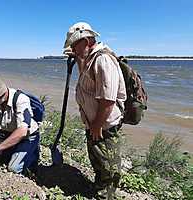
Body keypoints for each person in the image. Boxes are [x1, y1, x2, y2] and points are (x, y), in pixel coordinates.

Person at [63, 22, 127, 199]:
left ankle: (105, 195)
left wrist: (97, 125)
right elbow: (87, 79)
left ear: (86, 40)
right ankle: (98, 188)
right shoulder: (88, 58)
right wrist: (77, 56)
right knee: (98, 161)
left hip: (104, 126)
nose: (73, 49)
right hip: (94, 124)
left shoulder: (103, 60)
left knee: (108, 168)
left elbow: (108, 99)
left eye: (75, 44)